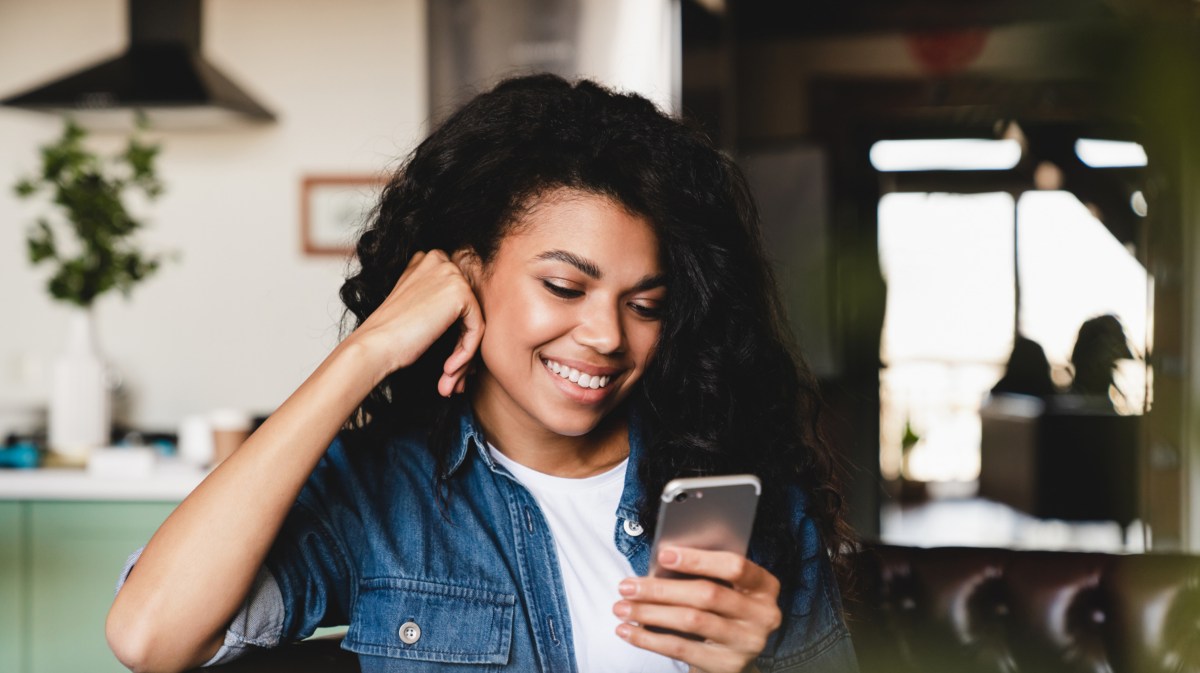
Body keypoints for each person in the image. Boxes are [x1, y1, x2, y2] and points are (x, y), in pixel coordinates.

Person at [106, 74, 858, 673]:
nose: (605, 335)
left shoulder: (743, 496)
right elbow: (149, 635)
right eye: (564, 287)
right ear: (466, 274)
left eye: (645, 304)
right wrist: (366, 351)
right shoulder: (384, 496)